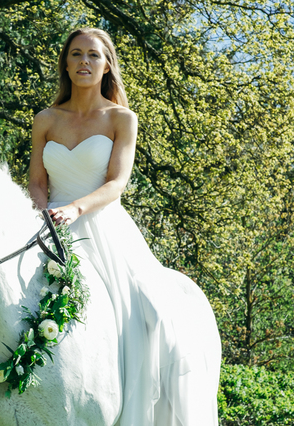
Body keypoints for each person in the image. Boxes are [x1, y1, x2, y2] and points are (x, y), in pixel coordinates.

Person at [28, 28, 221, 425]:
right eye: (77, 54)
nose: (84, 61)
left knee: (150, 313)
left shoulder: (121, 118)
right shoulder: (45, 119)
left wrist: (77, 209)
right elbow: (36, 180)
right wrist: (44, 212)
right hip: (47, 222)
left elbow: (117, 183)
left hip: (100, 222)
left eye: (93, 56)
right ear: (65, 63)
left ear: (106, 65)